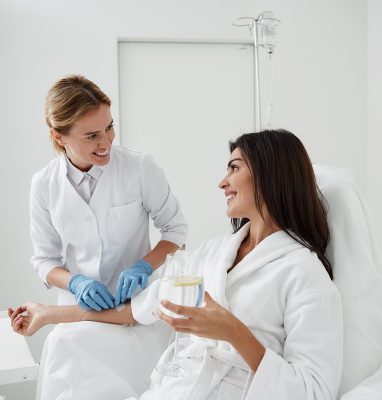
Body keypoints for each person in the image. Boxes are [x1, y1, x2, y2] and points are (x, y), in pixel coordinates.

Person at [11, 130, 343, 400]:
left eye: (234, 168)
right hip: (172, 388)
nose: (222, 182)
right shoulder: (210, 256)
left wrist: (233, 333)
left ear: (270, 173)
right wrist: (49, 314)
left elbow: (314, 391)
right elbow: (138, 309)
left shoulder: (303, 273)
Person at [26, 75, 187, 398]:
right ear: (59, 136)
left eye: (110, 127)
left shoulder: (139, 168)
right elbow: (45, 259)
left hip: (134, 310)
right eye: (92, 135)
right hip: (78, 313)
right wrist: (75, 283)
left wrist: (143, 266)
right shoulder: (44, 185)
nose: (107, 142)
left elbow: (175, 230)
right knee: (66, 355)